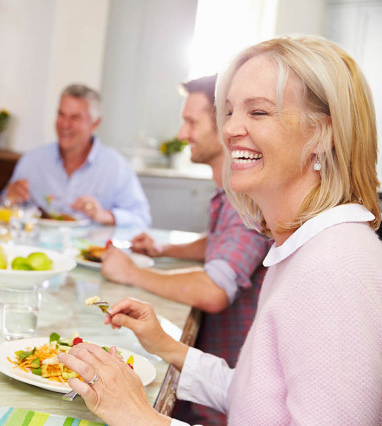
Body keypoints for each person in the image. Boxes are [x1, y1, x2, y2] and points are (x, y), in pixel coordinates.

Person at [59, 35, 382, 425]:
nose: (230, 129)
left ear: (323, 134)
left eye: (259, 112)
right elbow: (257, 400)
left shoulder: (333, 267)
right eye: (228, 111)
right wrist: (164, 344)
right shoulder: (303, 247)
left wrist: (140, 417)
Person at [101, 75, 271, 424]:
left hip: (225, 401)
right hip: (219, 381)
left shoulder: (245, 199)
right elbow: (225, 244)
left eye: (191, 122)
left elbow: (213, 290)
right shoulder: (231, 195)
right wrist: (163, 249)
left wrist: (131, 273)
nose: (181, 134)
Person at [0, 84, 151, 228]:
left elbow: (142, 219)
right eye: (61, 115)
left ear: (95, 123)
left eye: (75, 118)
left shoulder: (116, 167)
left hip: (89, 253)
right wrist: (10, 199)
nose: (65, 124)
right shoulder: (32, 161)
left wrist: (104, 215)